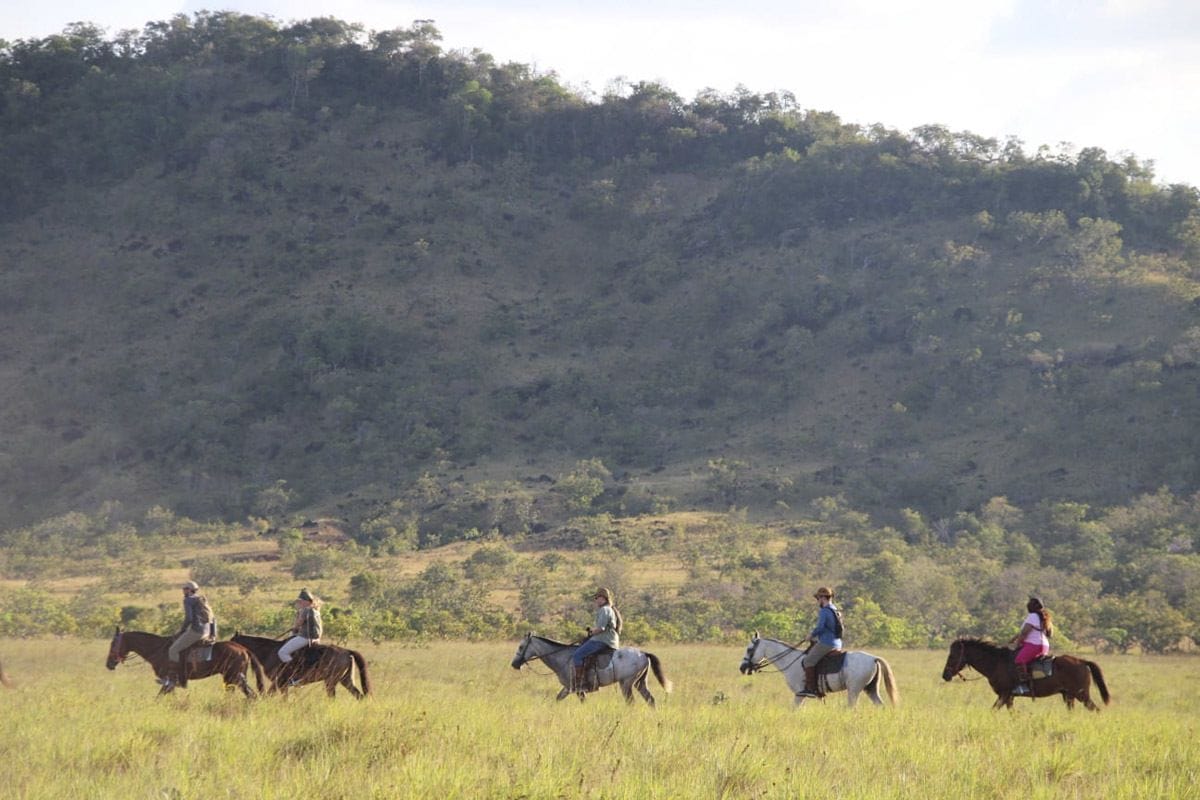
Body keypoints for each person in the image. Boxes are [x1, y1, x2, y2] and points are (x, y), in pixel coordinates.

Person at [571, 587, 621, 695]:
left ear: (603, 598)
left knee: (577, 655)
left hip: (602, 640)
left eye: (596, 597)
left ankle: (580, 684)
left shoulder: (604, 610)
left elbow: (601, 628)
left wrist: (592, 632)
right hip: (609, 639)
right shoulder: (609, 609)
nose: (596, 600)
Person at [165, 580, 214, 689]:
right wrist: (212, 633)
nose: (183, 591)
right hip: (206, 631)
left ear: (190, 590)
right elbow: (212, 618)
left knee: (172, 650)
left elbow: (189, 618)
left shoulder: (188, 600)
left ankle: (176, 678)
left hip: (196, 631)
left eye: (185, 589)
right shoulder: (201, 599)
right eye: (183, 589)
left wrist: (181, 631)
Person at [797, 586, 842, 698]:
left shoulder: (824, 611)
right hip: (837, 643)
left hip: (827, 643)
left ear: (823, 598)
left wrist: (811, 635)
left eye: (818, 598)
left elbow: (820, 627)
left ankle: (811, 689)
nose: (818, 601)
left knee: (808, 661)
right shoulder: (835, 610)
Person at [1009, 596, 1053, 695]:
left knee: (1019, 660)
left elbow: (1024, 633)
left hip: (1034, 645)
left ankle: (1024, 685)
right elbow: (1050, 634)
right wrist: (1013, 639)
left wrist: (1016, 644)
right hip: (1043, 645)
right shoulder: (1045, 616)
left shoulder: (1033, 616)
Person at [278, 588, 323, 680]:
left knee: (282, 652)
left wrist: (294, 627)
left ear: (307, 601)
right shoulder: (316, 610)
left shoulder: (306, 610)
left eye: (300, 601)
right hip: (315, 639)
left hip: (305, 637)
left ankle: (294, 674)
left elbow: (298, 624)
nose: (299, 603)